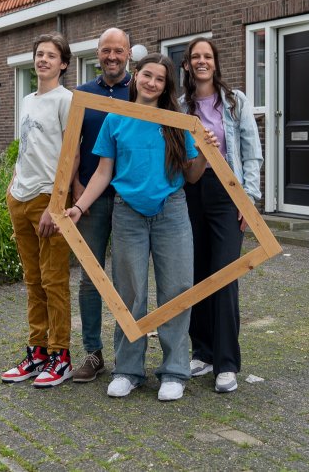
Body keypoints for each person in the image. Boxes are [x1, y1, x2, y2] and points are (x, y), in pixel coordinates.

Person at [66, 53, 217, 402]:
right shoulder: (116, 118)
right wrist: (78, 206)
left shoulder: (177, 120)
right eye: (147, 75)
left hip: (172, 211)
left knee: (177, 290)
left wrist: (206, 153)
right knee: (129, 292)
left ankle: (175, 371)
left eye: (159, 79)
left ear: (166, 86)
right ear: (136, 76)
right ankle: (128, 370)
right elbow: (103, 172)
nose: (151, 82)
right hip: (127, 213)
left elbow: (192, 176)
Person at [179, 36, 263, 394]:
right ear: (187, 64)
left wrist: (251, 200)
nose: (202, 61)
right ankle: (203, 351)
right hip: (191, 192)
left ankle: (227, 363)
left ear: (215, 62)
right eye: (196, 56)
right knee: (197, 272)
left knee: (226, 274)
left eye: (207, 56)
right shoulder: (180, 105)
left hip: (229, 191)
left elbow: (251, 152)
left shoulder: (235, 101)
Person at [1, 33, 75, 388]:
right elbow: (26, 147)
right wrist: (12, 185)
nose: (43, 59)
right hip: (21, 196)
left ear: (63, 63)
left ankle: (61, 356)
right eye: (39, 54)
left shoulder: (66, 100)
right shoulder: (28, 100)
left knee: (54, 281)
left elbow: (70, 156)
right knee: (32, 281)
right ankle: (37, 351)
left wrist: (57, 204)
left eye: (51, 55)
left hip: (48, 200)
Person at [70, 28, 132, 383]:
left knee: (127, 279)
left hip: (128, 198)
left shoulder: (138, 91)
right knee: (90, 279)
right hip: (91, 199)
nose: (112, 56)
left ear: (128, 54)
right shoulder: (83, 94)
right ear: (97, 53)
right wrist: (78, 186)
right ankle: (93, 354)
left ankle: (127, 354)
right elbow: (73, 144)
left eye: (118, 50)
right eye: (106, 50)